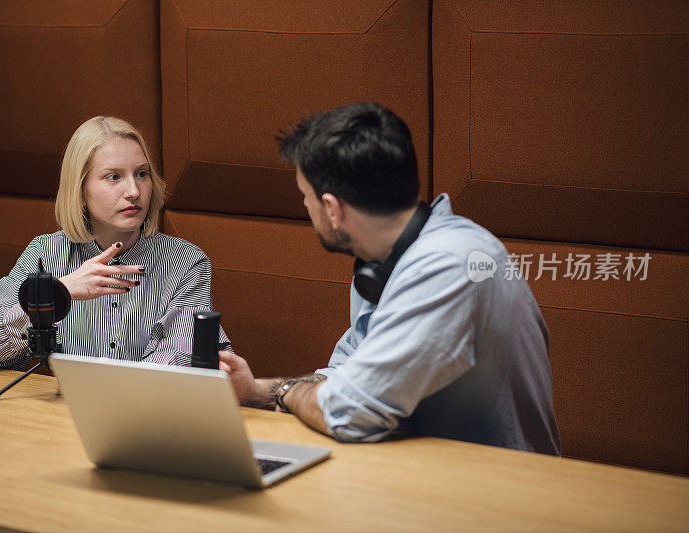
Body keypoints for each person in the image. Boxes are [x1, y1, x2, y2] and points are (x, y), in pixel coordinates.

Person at [219, 102, 560, 454]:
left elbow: (348, 410)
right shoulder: (384, 260)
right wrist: (258, 390)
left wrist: (287, 392)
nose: (306, 208)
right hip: (423, 476)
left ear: (333, 209)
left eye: (305, 198)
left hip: (499, 491)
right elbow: (343, 376)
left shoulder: (449, 266)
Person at [0, 116, 230, 370]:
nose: (134, 191)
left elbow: (175, 362)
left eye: (141, 174)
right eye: (114, 177)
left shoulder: (186, 263)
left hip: (146, 412)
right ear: (80, 192)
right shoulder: (45, 253)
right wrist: (59, 292)